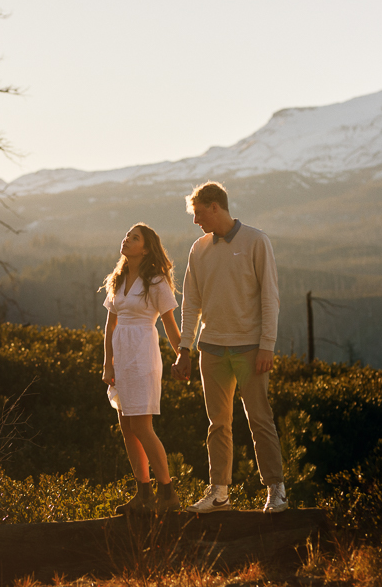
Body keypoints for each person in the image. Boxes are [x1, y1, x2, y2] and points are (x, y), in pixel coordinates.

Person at [170, 182, 288, 514]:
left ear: (214, 207)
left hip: (250, 348)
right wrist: (185, 348)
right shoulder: (198, 249)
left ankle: (276, 490)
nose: (196, 222)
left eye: (198, 214)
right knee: (217, 424)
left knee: (259, 419)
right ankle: (219, 492)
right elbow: (190, 303)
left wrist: (267, 345)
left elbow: (270, 297)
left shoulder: (256, 241)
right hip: (212, 349)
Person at [102, 223, 182, 514]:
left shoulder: (156, 281)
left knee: (141, 426)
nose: (126, 240)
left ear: (146, 248)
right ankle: (143, 494)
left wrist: (182, 355)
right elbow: (110, 325)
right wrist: (107, 362)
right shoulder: (118, 279)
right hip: (121, 356)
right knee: (126, 426)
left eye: (134, 238)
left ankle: (168, 493)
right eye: (126, 235)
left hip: (143, 354)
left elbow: (169, 323)